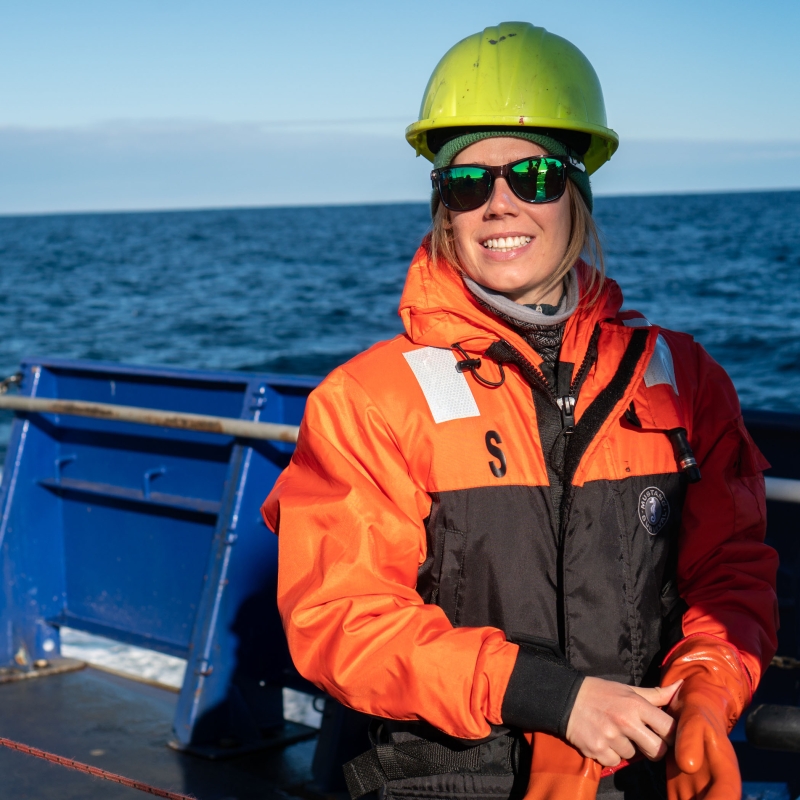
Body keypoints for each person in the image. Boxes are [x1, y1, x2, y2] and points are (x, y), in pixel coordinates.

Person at [262, 22, 778, 800]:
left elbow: (729, 571)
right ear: (445, 208)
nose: (501, 205)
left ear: (577, 195)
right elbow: (342, 618)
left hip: (642, 771)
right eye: (468, 183)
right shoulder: (368, 400)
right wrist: (549, 697)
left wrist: (709, 689)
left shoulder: (686, 380)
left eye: (535, 176)